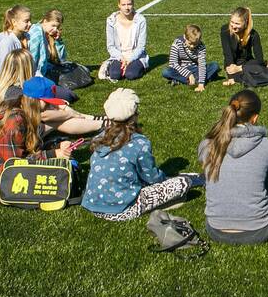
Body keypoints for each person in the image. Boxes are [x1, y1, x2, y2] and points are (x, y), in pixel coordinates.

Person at [198, 90, 268, 244]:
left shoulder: (207, 145)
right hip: (260, 230)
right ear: (255, 117)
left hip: (215, 229)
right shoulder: (265, 146)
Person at [82, 89, 197, 221]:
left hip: (93, 203)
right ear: (134, 115)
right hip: (122, 209)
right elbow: (152, 178)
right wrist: (165, 180)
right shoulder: (140, 143)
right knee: (183, 183)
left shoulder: (100, 138)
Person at [0, 50, 105, 160]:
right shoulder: (15, 93)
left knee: (53, 113)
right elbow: (41, 116)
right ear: (26, 68)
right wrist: (69, 114)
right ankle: (103, 124)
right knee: (55, 121)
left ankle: (97, 121)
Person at [0, 78, 74, 190]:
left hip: (16, 172)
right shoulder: (13, 123)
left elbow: (28, 148)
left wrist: (57, 147)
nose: (50, 107)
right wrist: (53, 154)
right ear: (35, 100)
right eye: (48, 103)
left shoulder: (25, 113)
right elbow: (15, 164)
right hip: (6, 180)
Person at [27, 9, 78, 102]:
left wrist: (58, 41)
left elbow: (62, 59)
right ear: (45, 21)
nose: (55, 29)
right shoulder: (37, 33)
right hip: (35, 77)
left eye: (57, 27)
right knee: (70, 95)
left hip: (46, 71)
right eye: (53, 25)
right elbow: (32, 60)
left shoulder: (47, 34)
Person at [220, 6, 268, 87]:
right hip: (232, 63)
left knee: (251, 70)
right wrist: (231, 76)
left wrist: (240, 68)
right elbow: (227, 53)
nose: (233, 26)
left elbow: (259, 59)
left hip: (248, 62)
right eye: (232, 22)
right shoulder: (225, 30)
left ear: (245, 23)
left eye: (237, 23)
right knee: (242, 76)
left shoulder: (253, 34)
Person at [105, 0, 148, 81]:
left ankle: (140, 66)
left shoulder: (141, 20)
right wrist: (122, 59)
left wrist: (130, 59)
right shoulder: (111, 21)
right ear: (119, 5)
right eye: (123, 5)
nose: (127, 7)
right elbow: (110, 46)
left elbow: (141, 46)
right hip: (119, 55)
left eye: (129, 4)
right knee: (115, 75)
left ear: (133, 5)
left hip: (136, 55)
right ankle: (110, 65)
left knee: (130, 74)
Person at [162, 24, 218, 91]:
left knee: (215, 66)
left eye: (195, 44)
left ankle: (181, 80)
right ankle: (197, 79)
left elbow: (201, 65)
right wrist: (189, 74)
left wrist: (201, 84)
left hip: (195, 68)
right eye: (190, 43)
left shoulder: (201, 46)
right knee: (166, 72)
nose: (192, 46)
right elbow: (173, 63)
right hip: (180, 69)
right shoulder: (177, 43)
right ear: (185, 37)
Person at [0, 5, 31, 74]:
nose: (30, 24)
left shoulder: (25, 36)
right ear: (14, 22)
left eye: (30, 20)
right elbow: (4, 69)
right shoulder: (7, 42)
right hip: (11, 82)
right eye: (26, 21)